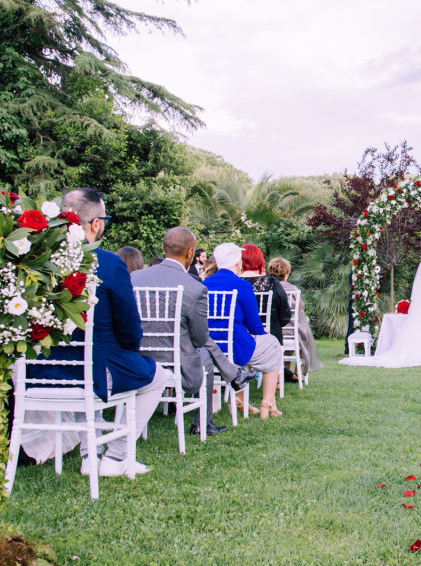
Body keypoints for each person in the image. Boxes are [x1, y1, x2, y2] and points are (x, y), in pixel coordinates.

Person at [42, 188, 173, 477]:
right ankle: (116, 455)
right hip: (97, 367)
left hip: (46, 367)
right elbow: (128, 325)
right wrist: (130, 347)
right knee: (157, 376)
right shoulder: (109, 262)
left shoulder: (40, 261)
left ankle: (91, 455)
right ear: (96, 223)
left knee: (85, 362)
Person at [130, 227, 258, 436]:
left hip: (137, 355)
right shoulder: (194, 287)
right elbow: (199, 338)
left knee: (204, 350)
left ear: (163, 248)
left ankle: (234, 375)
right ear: (191, 253)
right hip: (177, 361)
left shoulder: (135, 278)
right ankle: (203, 421)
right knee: (205, 355)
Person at [203, 243, 283, 418]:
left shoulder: (205, 284)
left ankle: (240, 400)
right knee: (273, 345)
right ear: (237, 262)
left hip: (208, 349)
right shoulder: (241, 285)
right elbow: (255, 325)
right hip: (235, 348)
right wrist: (264, 333)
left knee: (253, 341)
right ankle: (267, 403)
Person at [340, 256, 421, 368]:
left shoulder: (419, 280)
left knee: (416, 331)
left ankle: (412, 351)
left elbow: (415, 298)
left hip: (420, 310)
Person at [268, 256, 324, 378]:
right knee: (303, 327)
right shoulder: (293, 289)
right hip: (291, 331)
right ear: (286, 274)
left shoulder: (268, 289)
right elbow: (301, 307)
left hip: (274, 330)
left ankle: (286, 370)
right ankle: (298, 372)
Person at [240, 244, 291, 346]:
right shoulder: (271, 283)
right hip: (270, 340)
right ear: (260, 261)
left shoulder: (235, 283)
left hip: (241, 339)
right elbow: (285, 316)